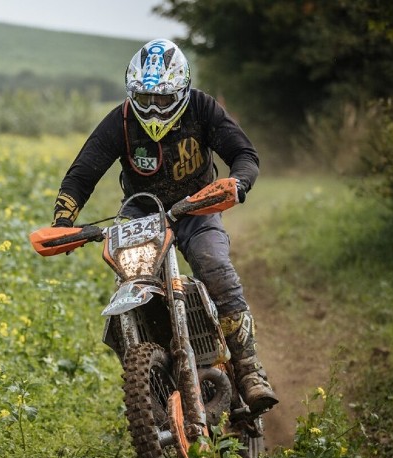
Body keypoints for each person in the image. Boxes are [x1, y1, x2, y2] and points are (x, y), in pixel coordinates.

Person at [50, 38, 278, 413]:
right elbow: (81, 174)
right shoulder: (120, 121)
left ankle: (249, 367)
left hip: (198, 207)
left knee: (215, 267)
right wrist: (63, 221)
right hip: (142, 216)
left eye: (163, 99)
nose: (154, 109)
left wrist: (238, 183)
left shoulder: (203, 109)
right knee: (131, 287)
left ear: (183, 91)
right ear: (131, 93)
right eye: (145, 99)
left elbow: (244, 154)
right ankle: (147, 384)